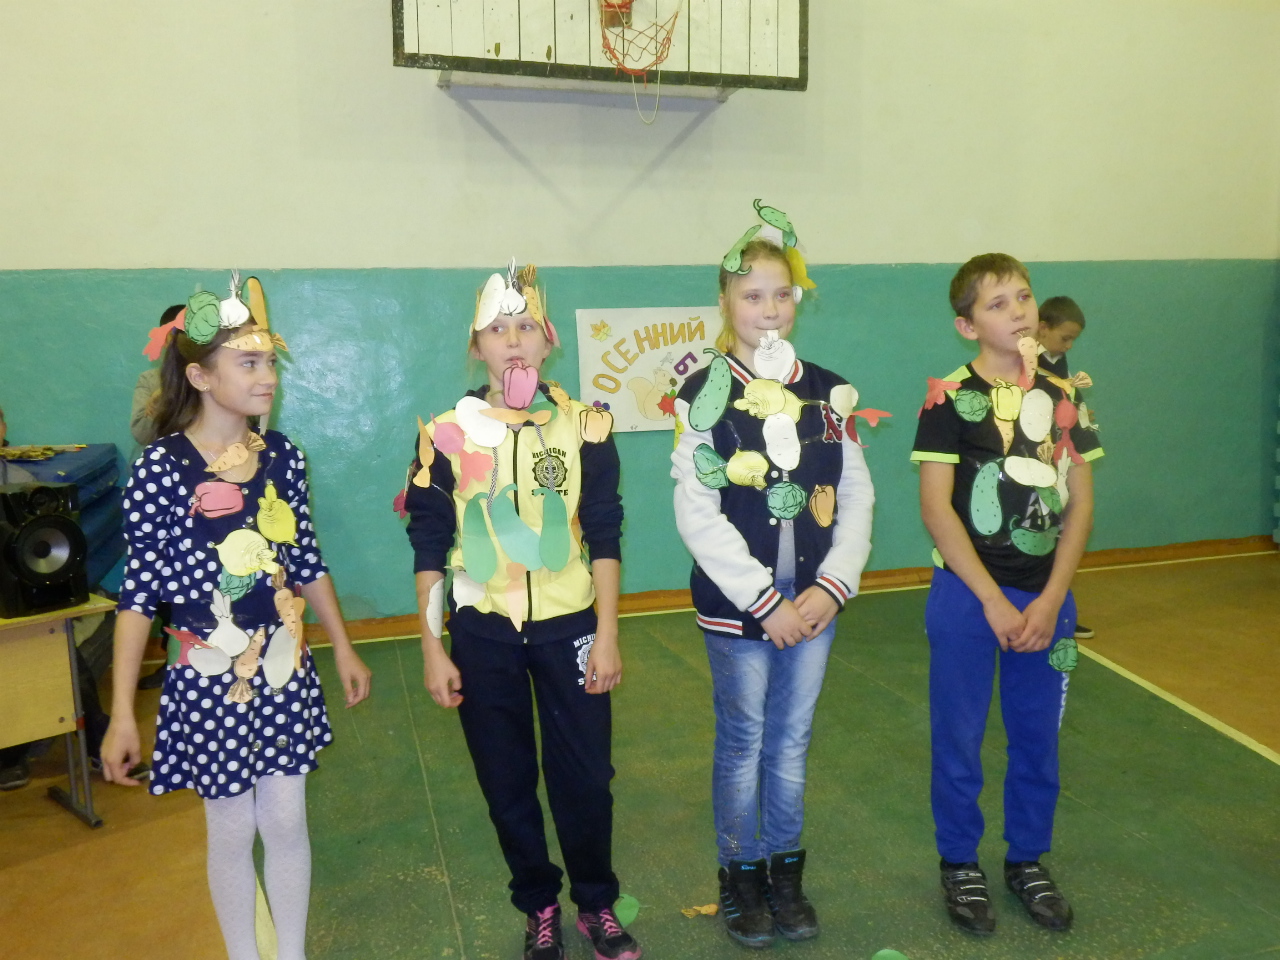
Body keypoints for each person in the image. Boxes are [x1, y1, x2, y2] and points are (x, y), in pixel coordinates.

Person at [101, 276, 372, 960]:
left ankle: (292, 953)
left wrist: (342, 646)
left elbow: (305, 558)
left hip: (282, 666)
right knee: (230, 828)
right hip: (207, 674)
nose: (267, 377)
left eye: (270, 361)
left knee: (285, 820)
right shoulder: (160, 468)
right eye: (248, 363)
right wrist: (123, 711)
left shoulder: (283, 456)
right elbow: (138, 596)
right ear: (200, 376)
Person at [403, 261, 639, 960]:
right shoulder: (446, 433)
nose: (513, 341)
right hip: (482, 635)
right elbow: (428, 544)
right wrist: (432, 647)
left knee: (586, 780)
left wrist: (606, 634)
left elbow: (605, 531)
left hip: (572, 626)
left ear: (548, 339)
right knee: (506, 783)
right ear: (476, 345)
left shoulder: (587, 427)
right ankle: (538, 904)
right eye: (497, 329)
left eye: (526, 326)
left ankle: (595, 903)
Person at [670, 203, 876, 949]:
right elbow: (696, 511)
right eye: (752, 294)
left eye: (782, 293)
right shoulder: (702, 396)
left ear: (797, 299)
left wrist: (831, 586)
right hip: (740, 612)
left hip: (814, 608)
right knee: (744, 742)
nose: (769, 308)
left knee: (791, 744)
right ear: (725, 301)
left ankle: (785, 876)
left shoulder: (829, 392)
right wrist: (764, 600)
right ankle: (740, 878)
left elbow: (855, 495)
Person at [911, 254, 1103, 935]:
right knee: (959, 737)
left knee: (1037, 738)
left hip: (1048, 603)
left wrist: (1051, 601)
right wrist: (992, 599)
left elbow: (1080, 506)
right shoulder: (946, 400)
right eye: (997, 304)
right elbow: (937, 508)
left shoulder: (1065, 398)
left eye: (1023, 296)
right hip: (966, 601)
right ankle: (959, 861)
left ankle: (1027, 858)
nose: (1018, 310)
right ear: (967, 326)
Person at [1036, 295, 1097, 641]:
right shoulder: (1020, 360)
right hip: (1031, 463)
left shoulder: (1060, 364)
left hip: (1058, 463)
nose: (1069, 345)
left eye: (1074, 339)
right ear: (1042, 328)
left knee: (1064, 533)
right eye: (1065, 337)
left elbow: (1066, 403)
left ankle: (1060, 614)